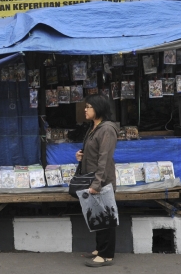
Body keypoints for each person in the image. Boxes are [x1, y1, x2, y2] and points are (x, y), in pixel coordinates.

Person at [75, 94, 119, 267]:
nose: (85, 109)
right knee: (96, 214)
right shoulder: (94, 127)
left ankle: (107, 255)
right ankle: (100, 248)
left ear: (98, 108)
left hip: (102, 180)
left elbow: (105, 158)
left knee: (105, 216)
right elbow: (94, 151)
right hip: (93, 178)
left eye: (88, 106)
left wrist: (97, 184)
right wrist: (82, 154)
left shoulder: (107, 129)